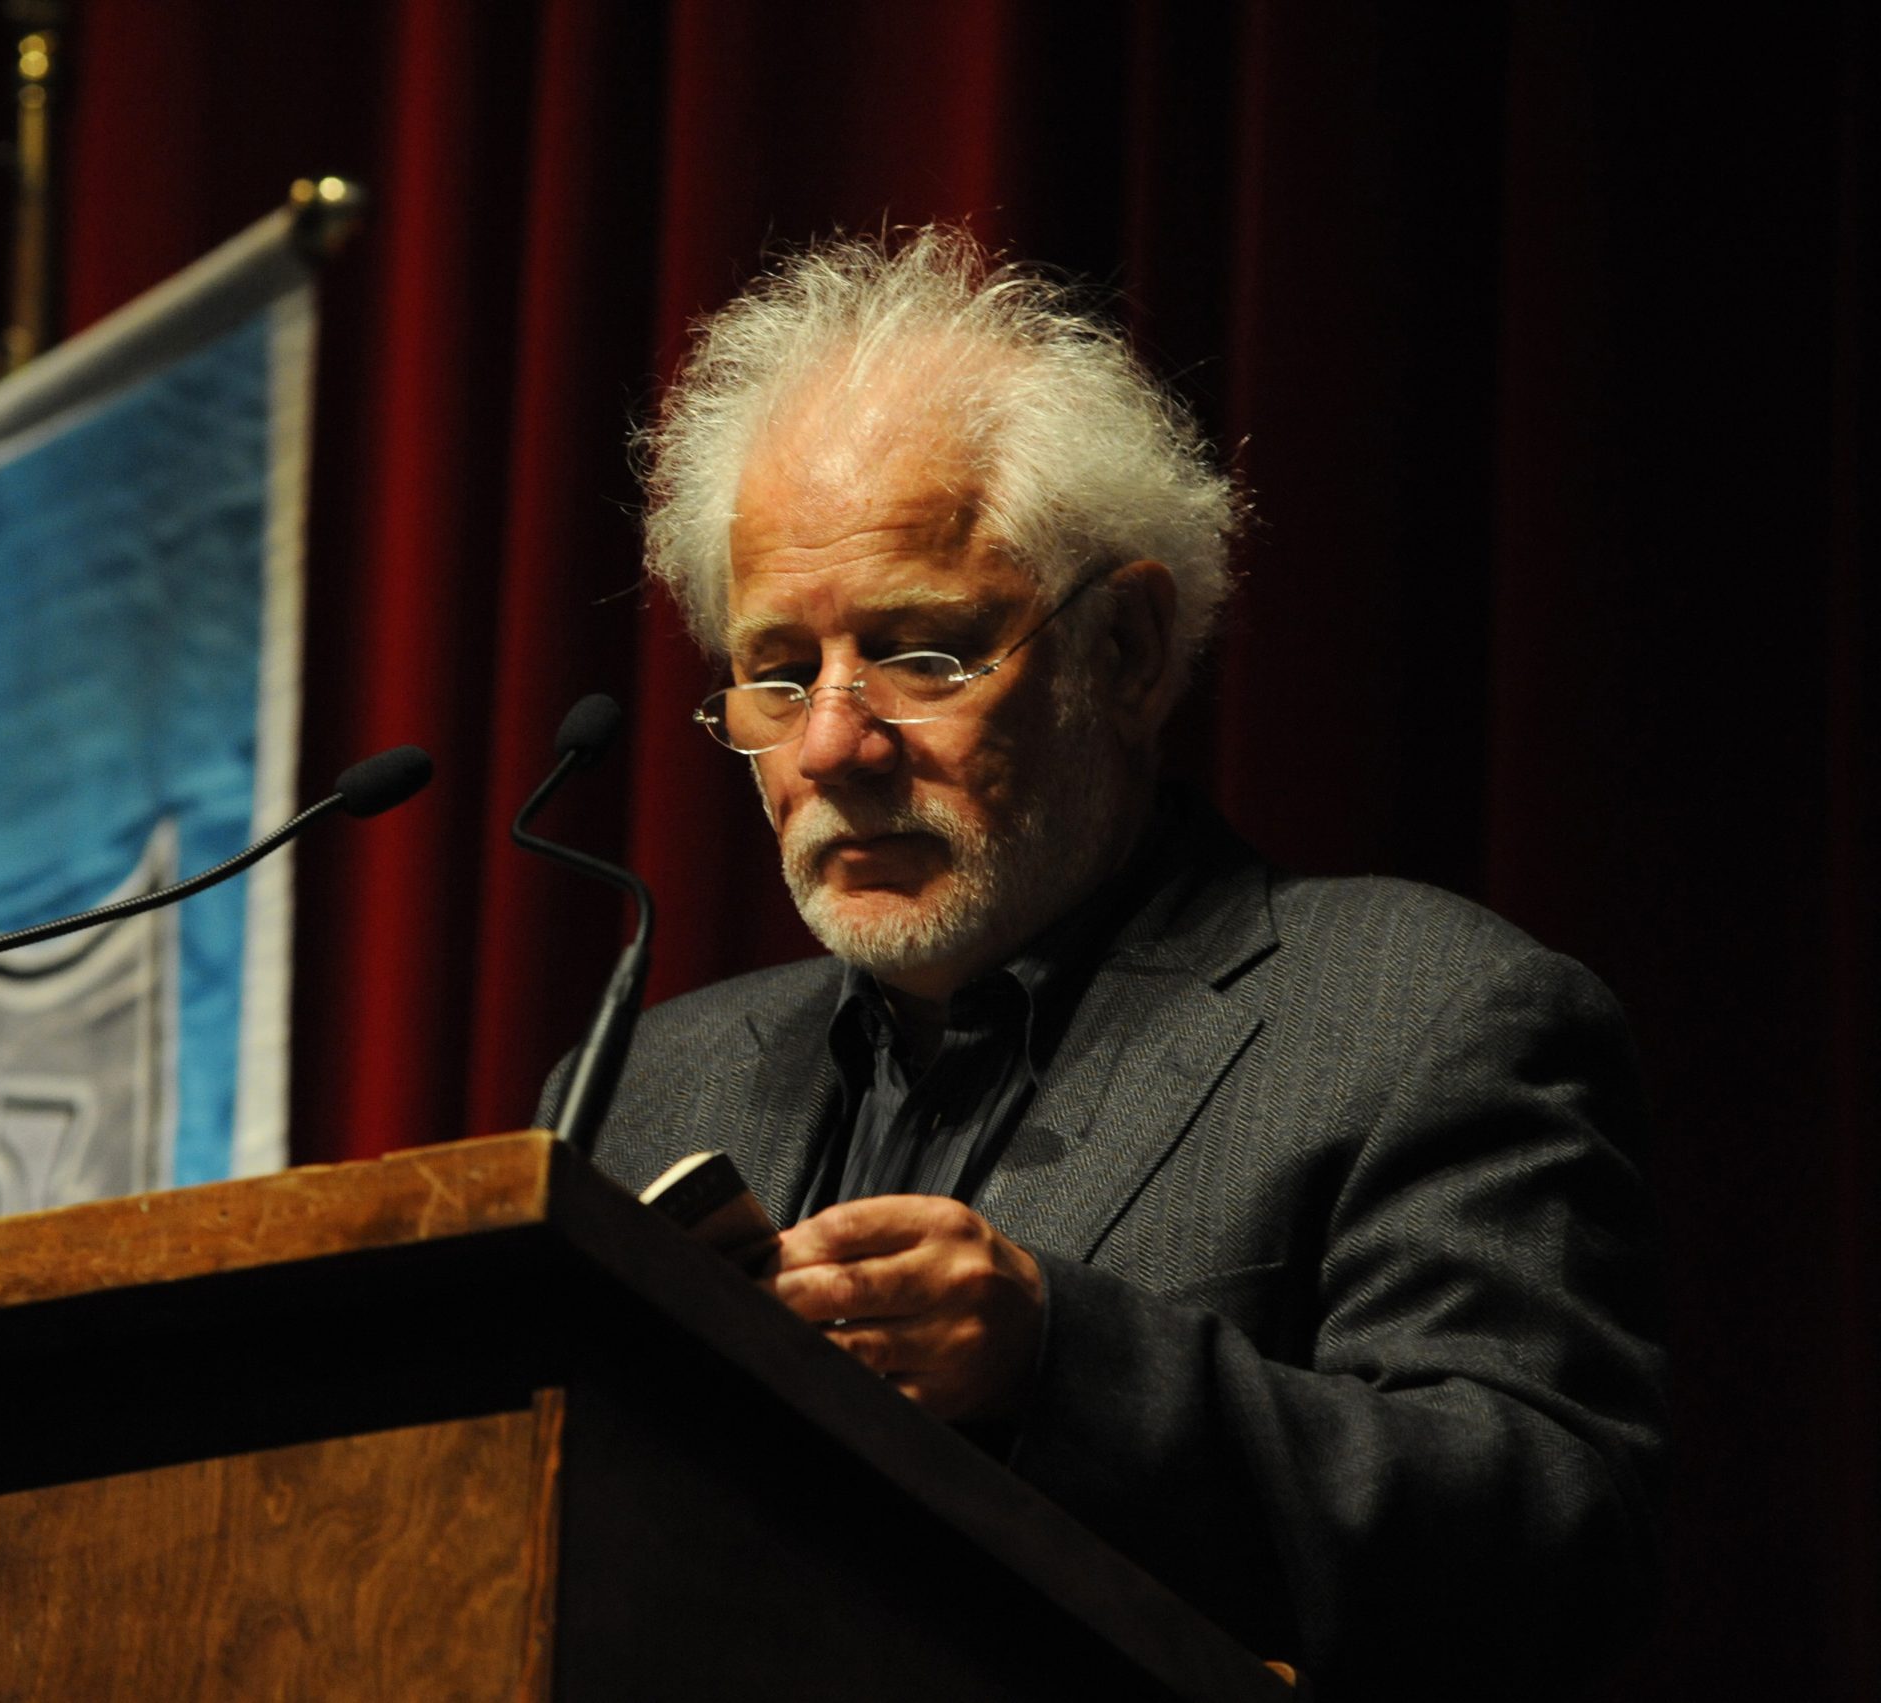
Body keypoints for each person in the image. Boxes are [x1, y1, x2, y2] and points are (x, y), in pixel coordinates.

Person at [541, 228, 1666, 1697]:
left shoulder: (1428, 1015)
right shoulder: (638, 1087)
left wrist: (1061, 1365)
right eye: (776, 672)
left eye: (922, 652)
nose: (832, 742)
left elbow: (1556, 1543)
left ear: (1126, 650)